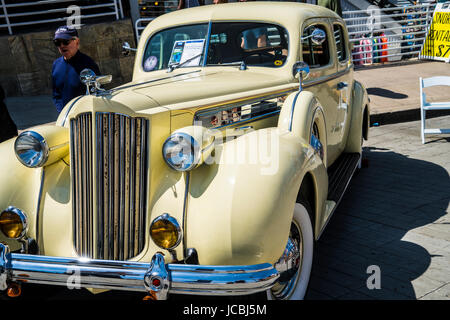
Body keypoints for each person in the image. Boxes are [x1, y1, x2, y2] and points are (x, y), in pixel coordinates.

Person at [51, 25, 100, 113]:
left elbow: (98, 93)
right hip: (66, 117)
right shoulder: (56, 65)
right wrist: (62, 112)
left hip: (85, 116)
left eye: (66, 42)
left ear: (77, 42)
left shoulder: (88, 64)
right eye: (57, 43)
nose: (62, 46)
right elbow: (56, 95)